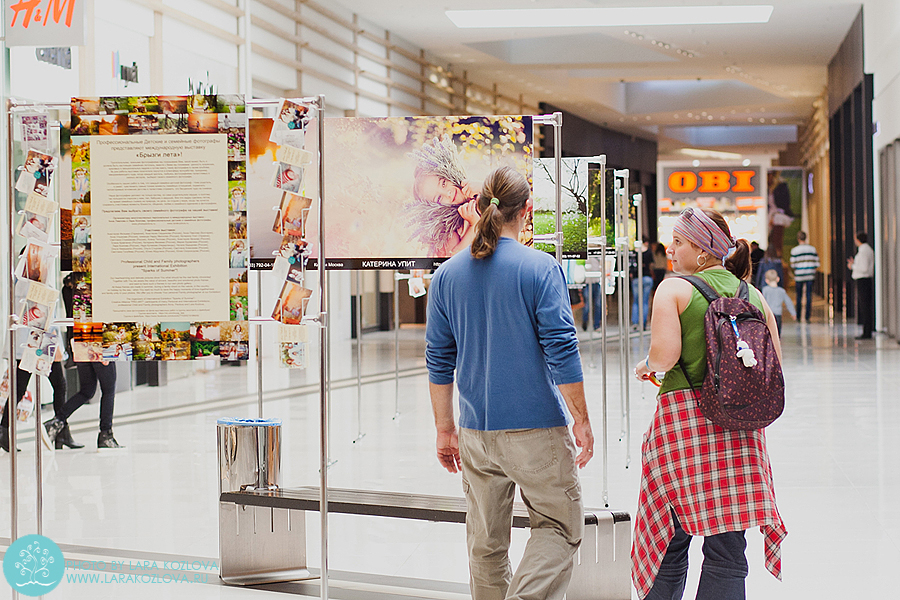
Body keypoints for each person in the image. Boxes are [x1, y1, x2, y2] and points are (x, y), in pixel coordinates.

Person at [426, 166, 593, 600]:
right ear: (528, 211)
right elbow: (562, 350)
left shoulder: (446, 276)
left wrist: (446, 429)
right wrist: (581, 420)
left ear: (480, 207)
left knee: (486, 545)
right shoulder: (540, 268)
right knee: (558, 526)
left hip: (477, 434)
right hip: (535, 428)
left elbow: (439, 360)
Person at [632, 207, 787, 600]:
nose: (671, 248)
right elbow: (775, 364)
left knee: (669, 533)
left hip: (683, 427)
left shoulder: (674, 289)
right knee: (728, 547)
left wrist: (646, 366)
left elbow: (665, 357)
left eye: (680, 241)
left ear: (702, 251)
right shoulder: (752, 294)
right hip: (739, 426)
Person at [406, 135, 482, 257]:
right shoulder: (450, 232)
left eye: (443, 183)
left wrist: (484, 187)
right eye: (439, 198)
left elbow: (510, 200)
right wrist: (474, 226)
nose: (448, 193)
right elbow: (453, 261)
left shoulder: (479, 190)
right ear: (435, 209)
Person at [44, 361, 122, 449]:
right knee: (108, 391)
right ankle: (106, 435)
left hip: (82, 353)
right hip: (102, 351)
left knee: (87, 391)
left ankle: (56, 421)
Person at [847, 231, 875, 339]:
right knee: (865, 306)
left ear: (858, 240)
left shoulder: (864, 251)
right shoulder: (866, 250)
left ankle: (866, 332)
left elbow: (863, 268)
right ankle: (867, 330)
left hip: (863, 280)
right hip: (864, 280)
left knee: (865, 307)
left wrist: (853, 266)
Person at [789, 231, 819, 322]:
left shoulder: (795, 250)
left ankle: (798, 316)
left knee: (799, 296)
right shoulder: (812, 249)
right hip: (810, 275)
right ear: (806, 238)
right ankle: (807, 317)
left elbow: (793, 264)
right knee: (809, 295)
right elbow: (817, 263)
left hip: (799, 276)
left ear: (798, 239)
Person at [761, 269, 796, 335]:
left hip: (769, 314)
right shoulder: (781, 291)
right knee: (777, 333)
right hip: (778, 314)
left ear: (767, 281)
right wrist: (793, 313)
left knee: (769, 332)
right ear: (778, 279)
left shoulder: (765, 290)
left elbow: (762, 302)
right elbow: (788, 302)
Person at [631, 236, 654, 329]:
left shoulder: (633, 252)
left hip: (636, 278)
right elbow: (651, 265)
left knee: (636, 301)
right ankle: (643, 323)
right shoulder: (648, 252)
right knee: (645, 301)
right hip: (647, 277)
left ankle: (635, 322)